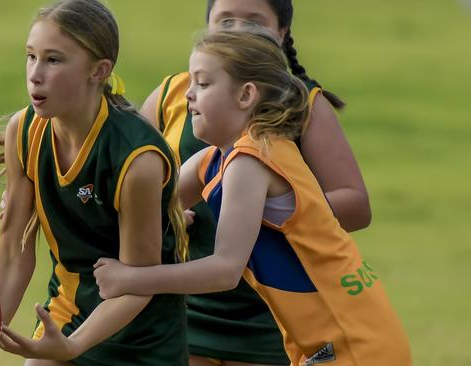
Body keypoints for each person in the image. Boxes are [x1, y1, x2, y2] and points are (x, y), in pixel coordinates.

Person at [93, 30, 412, 366]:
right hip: (336, 340)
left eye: (202, 84)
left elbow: (224, 271)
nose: (188, 94)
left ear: (246, 95)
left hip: (353, 344)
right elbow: (147, 202)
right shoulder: (217, 158)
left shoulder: (251, 160)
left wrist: (130, 278)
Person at [0, 1, 189, 365]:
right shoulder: (25, 130)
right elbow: (13, 255)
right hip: (65, 315)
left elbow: (136, 285)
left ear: (99, 71)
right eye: (31, 56)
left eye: (54, 60)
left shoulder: (136, 158)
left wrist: (74, 346)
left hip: (141, 339)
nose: (35, 74)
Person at [136, 1, 371, 365]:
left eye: (254, 22)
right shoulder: (177, 94)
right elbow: (129, 183)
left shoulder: (301, 105)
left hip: (274, 315)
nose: (237, 30)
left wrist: (265, 209)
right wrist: (167, 216)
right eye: (225, 20)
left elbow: (356, 206)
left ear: (281, 34)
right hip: (181, 301)